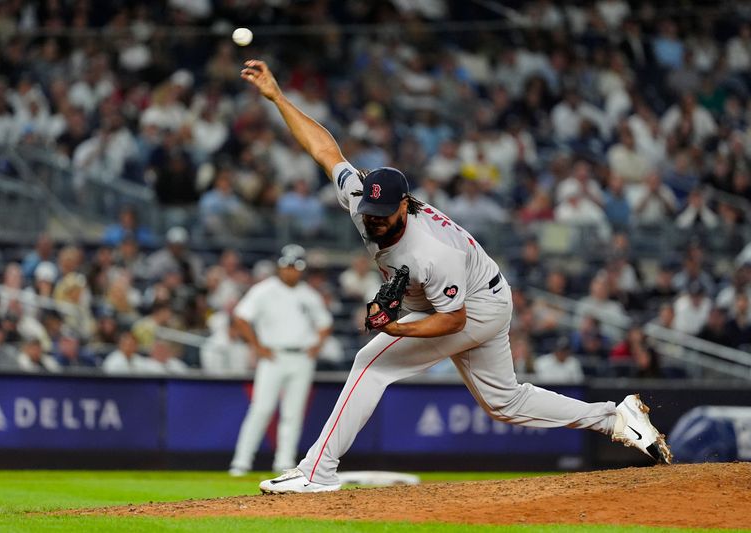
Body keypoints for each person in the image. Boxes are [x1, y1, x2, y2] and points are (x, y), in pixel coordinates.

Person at [240, 60, 671, 495]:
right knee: (506, 402)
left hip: (473, 307)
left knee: (369, 363)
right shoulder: (362, 200)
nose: (373, 223)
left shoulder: (430, 250)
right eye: (369, 214)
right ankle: (614, 418)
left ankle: (317, 471)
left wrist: (392, 326)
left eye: (383, 216)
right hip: (476, 297)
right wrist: (278, 97)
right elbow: (325, 151)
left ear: (404, 205)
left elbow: (454, 321)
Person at [229, 244, 333, 476]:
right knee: (261, 409)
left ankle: (284, 463)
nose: (291, 271)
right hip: (273, 356)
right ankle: (241, 462)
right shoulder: (264, 290)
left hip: (302, 357)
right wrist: (256, 346)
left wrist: (317, 345)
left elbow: (325, 324)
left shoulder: (309, 294)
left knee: (293, 413)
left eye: (296, 267)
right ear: (280, 267)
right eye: (287, 266)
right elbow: (241, 317)